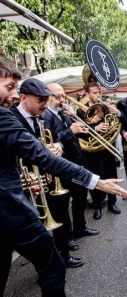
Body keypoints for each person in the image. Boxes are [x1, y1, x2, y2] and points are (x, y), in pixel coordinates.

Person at [0, 59, 127, 297]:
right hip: (7, 207)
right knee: (52, 265)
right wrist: (95, 181)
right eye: (9, 87)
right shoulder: (5, 117)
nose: (11, 95)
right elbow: (41, 156)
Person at [10, 79, 84, 268]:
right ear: (24, 98)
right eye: (40, 100)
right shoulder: (10, 118)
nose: (45, 104)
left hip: (50, 177)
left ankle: (63, 255)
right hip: (25, 180)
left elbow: (55, 138)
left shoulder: (46, 117)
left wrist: (56, 146)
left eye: (46, 99)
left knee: (60, 214)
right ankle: (42, 263)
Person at [46, 83, 100, 248]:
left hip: (76, 163)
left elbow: (75, 131)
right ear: (48, 97)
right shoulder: (47, 116)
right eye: (57, 96)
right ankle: (67, 237)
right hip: (63, 168)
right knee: (63, 205)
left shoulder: (62, 114)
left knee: (80, 197)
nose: (62, 99)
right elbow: (50, 142)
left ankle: (80, 227)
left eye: (63, 95)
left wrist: (74, 119)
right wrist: (71, 130)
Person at [76, 82, 121, 220]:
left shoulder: (105, 108)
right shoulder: (80, 111)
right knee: (96, 177)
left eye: (99, 92)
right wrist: (95, 129)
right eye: (94, 93)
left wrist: (116, 114)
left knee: (111, 174)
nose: (98, 95)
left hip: (107, 147)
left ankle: (112, 203)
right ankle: (97, 206)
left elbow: (116, 122)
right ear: (87, 94)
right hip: (93, 150)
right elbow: (79, 133)